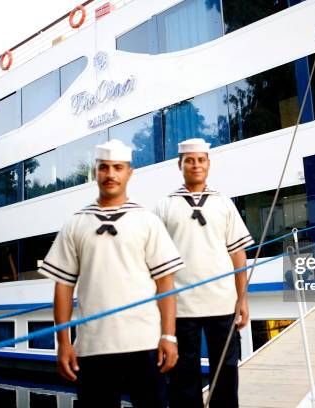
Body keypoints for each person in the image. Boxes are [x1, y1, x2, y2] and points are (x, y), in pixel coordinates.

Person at [38, 139, 184, 407]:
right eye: (104, 167)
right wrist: (63, 342)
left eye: (118, 167)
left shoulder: (147, 221)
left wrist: (169, 336)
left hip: (145, 342)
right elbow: (63, 287)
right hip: (93, 346)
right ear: (95, 172)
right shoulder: (76, 223)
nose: (111, 174)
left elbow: (166, 282)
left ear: (129, 173)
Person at [155, 138, 254, 407]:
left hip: (222, 304)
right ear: (180, 164)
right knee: (182, 378)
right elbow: (155, 261)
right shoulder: (165, 206)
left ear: (208, 164)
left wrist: (241, 298)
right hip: (181, 307)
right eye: (190, 160)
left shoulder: (224, 203)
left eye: (200, 160)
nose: (196, 165)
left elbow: (238, 254)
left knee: (226, 373)